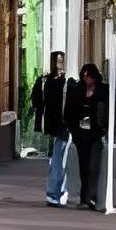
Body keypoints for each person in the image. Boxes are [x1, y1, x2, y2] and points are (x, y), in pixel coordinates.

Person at [31, 50, 75, 207]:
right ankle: (56, 193)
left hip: (62, 128)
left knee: (58, 160)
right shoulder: (44, 82)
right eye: (57, 62)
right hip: (51, 127)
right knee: (57, 160)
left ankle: (56, 192)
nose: (59, 65)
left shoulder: (67, 82)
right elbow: (36, 101)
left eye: (61, 62)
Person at [66, 62, 109, 210]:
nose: (86, 80)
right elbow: (70, 110)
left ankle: (92, 196)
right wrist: (73, 129)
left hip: (95, 134)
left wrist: (104, 128)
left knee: (94, 166)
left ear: (94, 77)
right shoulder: (77, 90)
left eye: (89, 77)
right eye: (84, 77)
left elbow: (107, 110)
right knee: (83, 167)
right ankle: (86, 198)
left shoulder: (103, 90)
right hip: (81, 134)